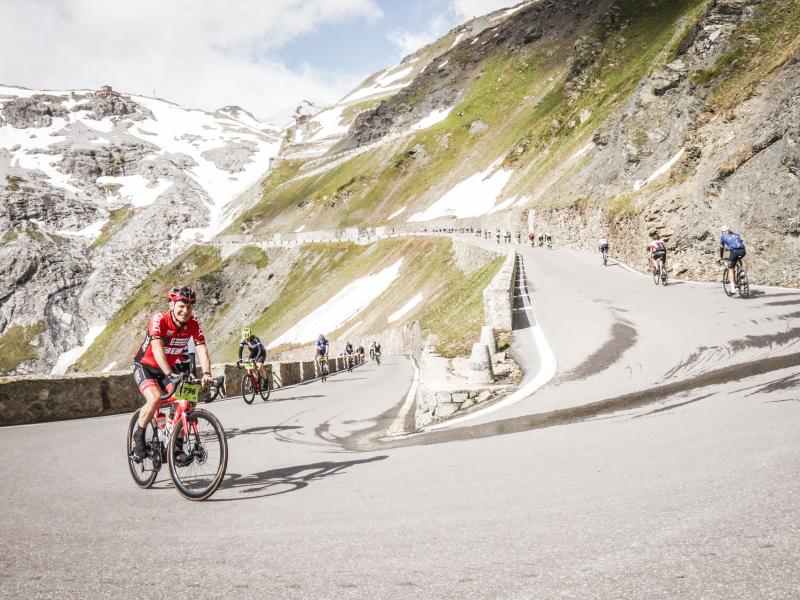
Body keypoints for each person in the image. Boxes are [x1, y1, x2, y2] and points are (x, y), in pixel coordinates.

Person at [130, 286, 212, 464]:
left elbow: (201, 348)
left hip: (168, 368)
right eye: (181, 306)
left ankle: (176, 448)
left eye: (189, 307)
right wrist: (169, 373)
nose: (185, 311)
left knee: (186, 399)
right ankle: (137, 437)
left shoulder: (194, 322)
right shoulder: (159, 319)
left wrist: (207, 373)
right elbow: (157, 349)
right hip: (145, 366)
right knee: (155, 398)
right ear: (171, 305)